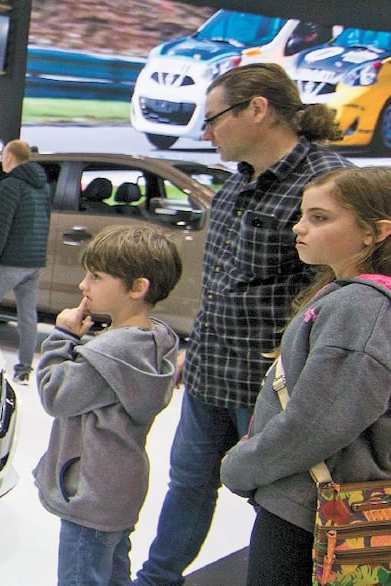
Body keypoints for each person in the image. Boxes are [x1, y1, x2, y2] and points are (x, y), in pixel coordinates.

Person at [134, 63, 352, 586]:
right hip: (211, 373)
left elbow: (341, 292)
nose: (205, 133)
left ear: (257, 109)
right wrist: (196, 347)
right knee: (187, 483)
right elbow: (225, 284)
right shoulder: (237, 186)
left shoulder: (328, 186)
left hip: (270, 389)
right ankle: (156, 579)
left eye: (213, 119)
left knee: (277, 509)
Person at [220, 167, 391, 585]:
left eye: (320, 217)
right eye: (303, 215)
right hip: (309, 505)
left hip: (310, 514)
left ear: (374, 232)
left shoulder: (359, 309)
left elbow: (315, 425)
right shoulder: (348, 297)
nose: (299, 227)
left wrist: (240, 466)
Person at [34, 224, 183, 586]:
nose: (84, 285)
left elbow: (55, 394)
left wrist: (62, 338)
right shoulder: (154, 341)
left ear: (137, 288)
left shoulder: (109, 355)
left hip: (90, 493)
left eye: (96, 276)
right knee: (114, 572)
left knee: (81, 575)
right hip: (120, 489)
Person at [0, 139, 51, 384]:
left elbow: (1, 227)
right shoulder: (42, 185)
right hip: (33, 260)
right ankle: (24, 370)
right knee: (27, 317)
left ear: (9, 157)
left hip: (10, 260)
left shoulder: (10, 185)